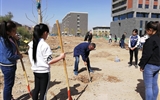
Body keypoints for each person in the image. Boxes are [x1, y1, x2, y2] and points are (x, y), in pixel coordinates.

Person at [28, 23, 65, 100]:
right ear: (45, 33)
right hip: (44, 72)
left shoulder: (31, 44)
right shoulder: (44, 45)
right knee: (43, 92)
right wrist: (60, 57)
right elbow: (50, 61)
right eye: (47, 33)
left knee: (36, 89)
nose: (47, 36)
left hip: (35, 71)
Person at [0, 21, 22, 100]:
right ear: (7, 31)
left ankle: (9, 96)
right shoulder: (3, 41)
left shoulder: (10, 38)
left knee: (10, 83)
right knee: (8, 85)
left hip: (11, 65)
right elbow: (9, 55)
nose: (15, 32)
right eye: (14, 31)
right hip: (7, 66)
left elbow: (16, 46)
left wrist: (17, 39)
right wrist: (18, 56)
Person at [138, 21, 160, 100]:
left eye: (146, 30)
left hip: (150, 65)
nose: (146, 32)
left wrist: (141, 65)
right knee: (154, 84)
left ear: (150, 30)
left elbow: (146, 55)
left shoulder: (150, 40)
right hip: (157, 65)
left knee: (148, 87)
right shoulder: (158, 39)